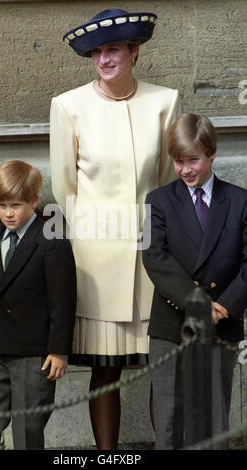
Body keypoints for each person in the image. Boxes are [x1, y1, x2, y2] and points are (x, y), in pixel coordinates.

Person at [50, 9, 180, 450]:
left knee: (163, 367)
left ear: (134, 51)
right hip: (96, 262)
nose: (104, 59)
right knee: (106, 370)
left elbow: (166, 180)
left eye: (114, 50)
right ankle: (107, 457)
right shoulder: (68, 105)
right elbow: (64, 185)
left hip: (153, 257)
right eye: (97, 52)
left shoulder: (165, 100)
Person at [142, 113, 247, 449]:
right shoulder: (156, 202)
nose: (185, 169)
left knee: (215, 418)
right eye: (178, 161)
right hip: (172, 324)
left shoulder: (241, 201)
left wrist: (223, 307)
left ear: (212, 153)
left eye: (193, 160)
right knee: (169, 416)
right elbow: (154, 257)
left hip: (223, 323)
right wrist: (196, 303)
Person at [0, 160, 76, 450]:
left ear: (34, 200)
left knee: (27, 433)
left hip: (34, 352)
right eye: (2, 205)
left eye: (15, 205)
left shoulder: (51, 240)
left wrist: (58, 350)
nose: (8, 213)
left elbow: (63, 300)